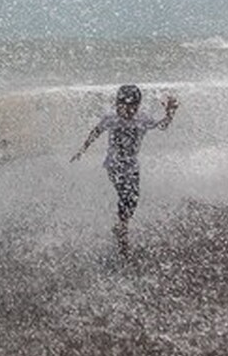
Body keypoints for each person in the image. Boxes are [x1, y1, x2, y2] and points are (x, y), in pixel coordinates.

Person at [70, 85, 178, 257]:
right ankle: (122, 229)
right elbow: (96, 132)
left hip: (132, 165)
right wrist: (82, 150)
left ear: (138, 105)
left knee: (134, 198)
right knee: (124, 194)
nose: (128, 111)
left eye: (132, 107)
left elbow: (162, 126)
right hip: (113, 165)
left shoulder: (143, 118)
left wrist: (170, 113)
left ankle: (121, 224)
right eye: (124, 106)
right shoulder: (110, 118)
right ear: (117, 103)